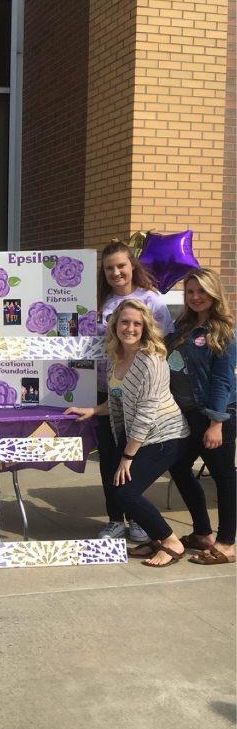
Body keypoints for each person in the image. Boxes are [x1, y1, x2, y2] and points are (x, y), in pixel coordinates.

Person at [66, 298, 189, 567]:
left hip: (164, 436)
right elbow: (118, 401)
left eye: (136, 323)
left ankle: (170, 542)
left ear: (144, 327)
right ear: (115, 325)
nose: (130, 328)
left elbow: (145, 413)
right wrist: (93, 410)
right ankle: (156, 539)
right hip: (141, 435)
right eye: (125, 322)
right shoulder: (117, 357)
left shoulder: (151, 360)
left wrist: (127, 456)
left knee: (126, 492)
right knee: (120, 489)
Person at [94, 240, 175, 543]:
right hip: (107, 390)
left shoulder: (151, 300)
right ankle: (115, 520)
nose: (116, 272)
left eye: (121, 266)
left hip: (139, 394)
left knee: (133, 458)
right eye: (109, 268)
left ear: (132, 266)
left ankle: (139, 519)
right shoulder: (99, 302)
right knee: (109, 458)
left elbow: (164, 344)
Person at [166, 269, 236, 565]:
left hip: (215, 415)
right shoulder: (182, 327)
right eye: (190, 291)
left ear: (213, 294)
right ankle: (203, 533)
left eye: (201, 291)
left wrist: (216, 423)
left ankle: (227, 543)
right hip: (188, 414)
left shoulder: (223, 332)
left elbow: (223, 380)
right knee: (179, 467)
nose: (195, 297)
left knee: (223, 476)